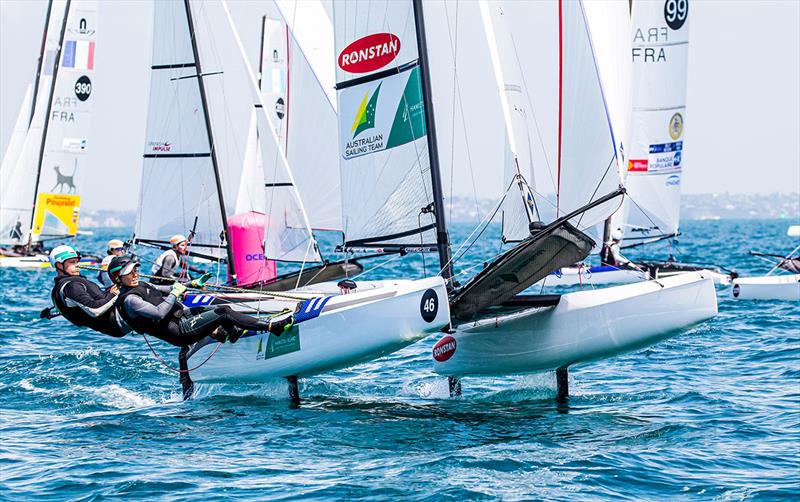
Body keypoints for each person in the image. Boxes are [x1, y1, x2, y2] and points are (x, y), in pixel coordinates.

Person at [110, 255, 292, 347]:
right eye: (129, 272)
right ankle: (272, 327)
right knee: (224, 313)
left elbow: (166, 289)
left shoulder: (141, 284)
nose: (135, 273)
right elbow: (159, 313)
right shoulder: (131, 300)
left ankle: (231, 333)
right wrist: (175, 293)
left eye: (135, 269)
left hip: (182, 317)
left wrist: (191, 284)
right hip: (180, 331)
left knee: (217, 307)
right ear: (118, 277)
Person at [48, 245, 130, 337]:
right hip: (118, 322)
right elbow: (95, 310)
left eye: (77, 261)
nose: (77, 264)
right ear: (59, 265)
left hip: (117, 321)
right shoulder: (71, 286)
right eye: (72, 262)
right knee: (141, 289)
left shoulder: (62, 286)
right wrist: (113, 294)